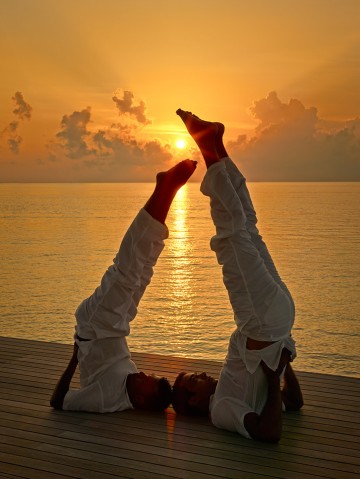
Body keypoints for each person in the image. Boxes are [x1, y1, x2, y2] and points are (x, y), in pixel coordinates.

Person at [172, 110, 303, 442]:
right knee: (232, 237)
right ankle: (207, 146)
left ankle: (216, 146)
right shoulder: (221, 410)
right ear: (195, 400)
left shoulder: (233, 389)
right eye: (193, 381)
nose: (201, 373)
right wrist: (274, 377)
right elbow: (268, 434)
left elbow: (295, 404)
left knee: (248, 231)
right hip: (263, 322)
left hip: (275, 320)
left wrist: (282, 367)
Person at [50, 159, 197, 413]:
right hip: (118, 326)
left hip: (95, 326)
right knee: (143, 272)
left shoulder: (105, 398)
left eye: (144, 381)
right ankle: (166, 192)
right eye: (147, 375)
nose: (141, 374)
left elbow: (59, 401)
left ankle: (166, 189)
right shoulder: (132, 385)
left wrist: (75, 357)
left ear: (139, 399)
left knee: (126, 270)